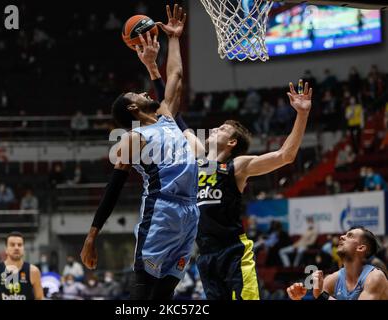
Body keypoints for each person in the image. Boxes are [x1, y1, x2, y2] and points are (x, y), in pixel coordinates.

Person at [139, 24, 313, 299]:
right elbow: (168, 110)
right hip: (205, 256)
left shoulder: (238, 166)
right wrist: (154, 66)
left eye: (222, 129)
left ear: (232, 143)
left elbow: (285, 156)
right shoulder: (196, 157)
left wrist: (301, 115)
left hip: (233, 252)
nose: (214, 129)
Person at [80, 5, 198, 300]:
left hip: (190, 213)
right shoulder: (134, 138)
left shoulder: (167, 116)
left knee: (165, 293)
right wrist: (92, 236)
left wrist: (173, 39)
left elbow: (177, 76)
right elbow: (114, 187)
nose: (146, 93)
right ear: (132, 108)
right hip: (162, 210)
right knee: (143, 291)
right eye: (137, 94)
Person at [287, 227, 388, 300]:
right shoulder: (332, 279)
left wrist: (322, 295)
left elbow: (321, 296)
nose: (342, 236)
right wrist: (297, 299)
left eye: (350, 235)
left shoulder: (375, 277)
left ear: (360, 248)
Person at [0, 231, 44, 300]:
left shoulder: (33, 271)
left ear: (23, 248)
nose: (16, 248)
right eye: (12, 245)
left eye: (20, 245)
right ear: (6, 249)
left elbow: (40, 298)